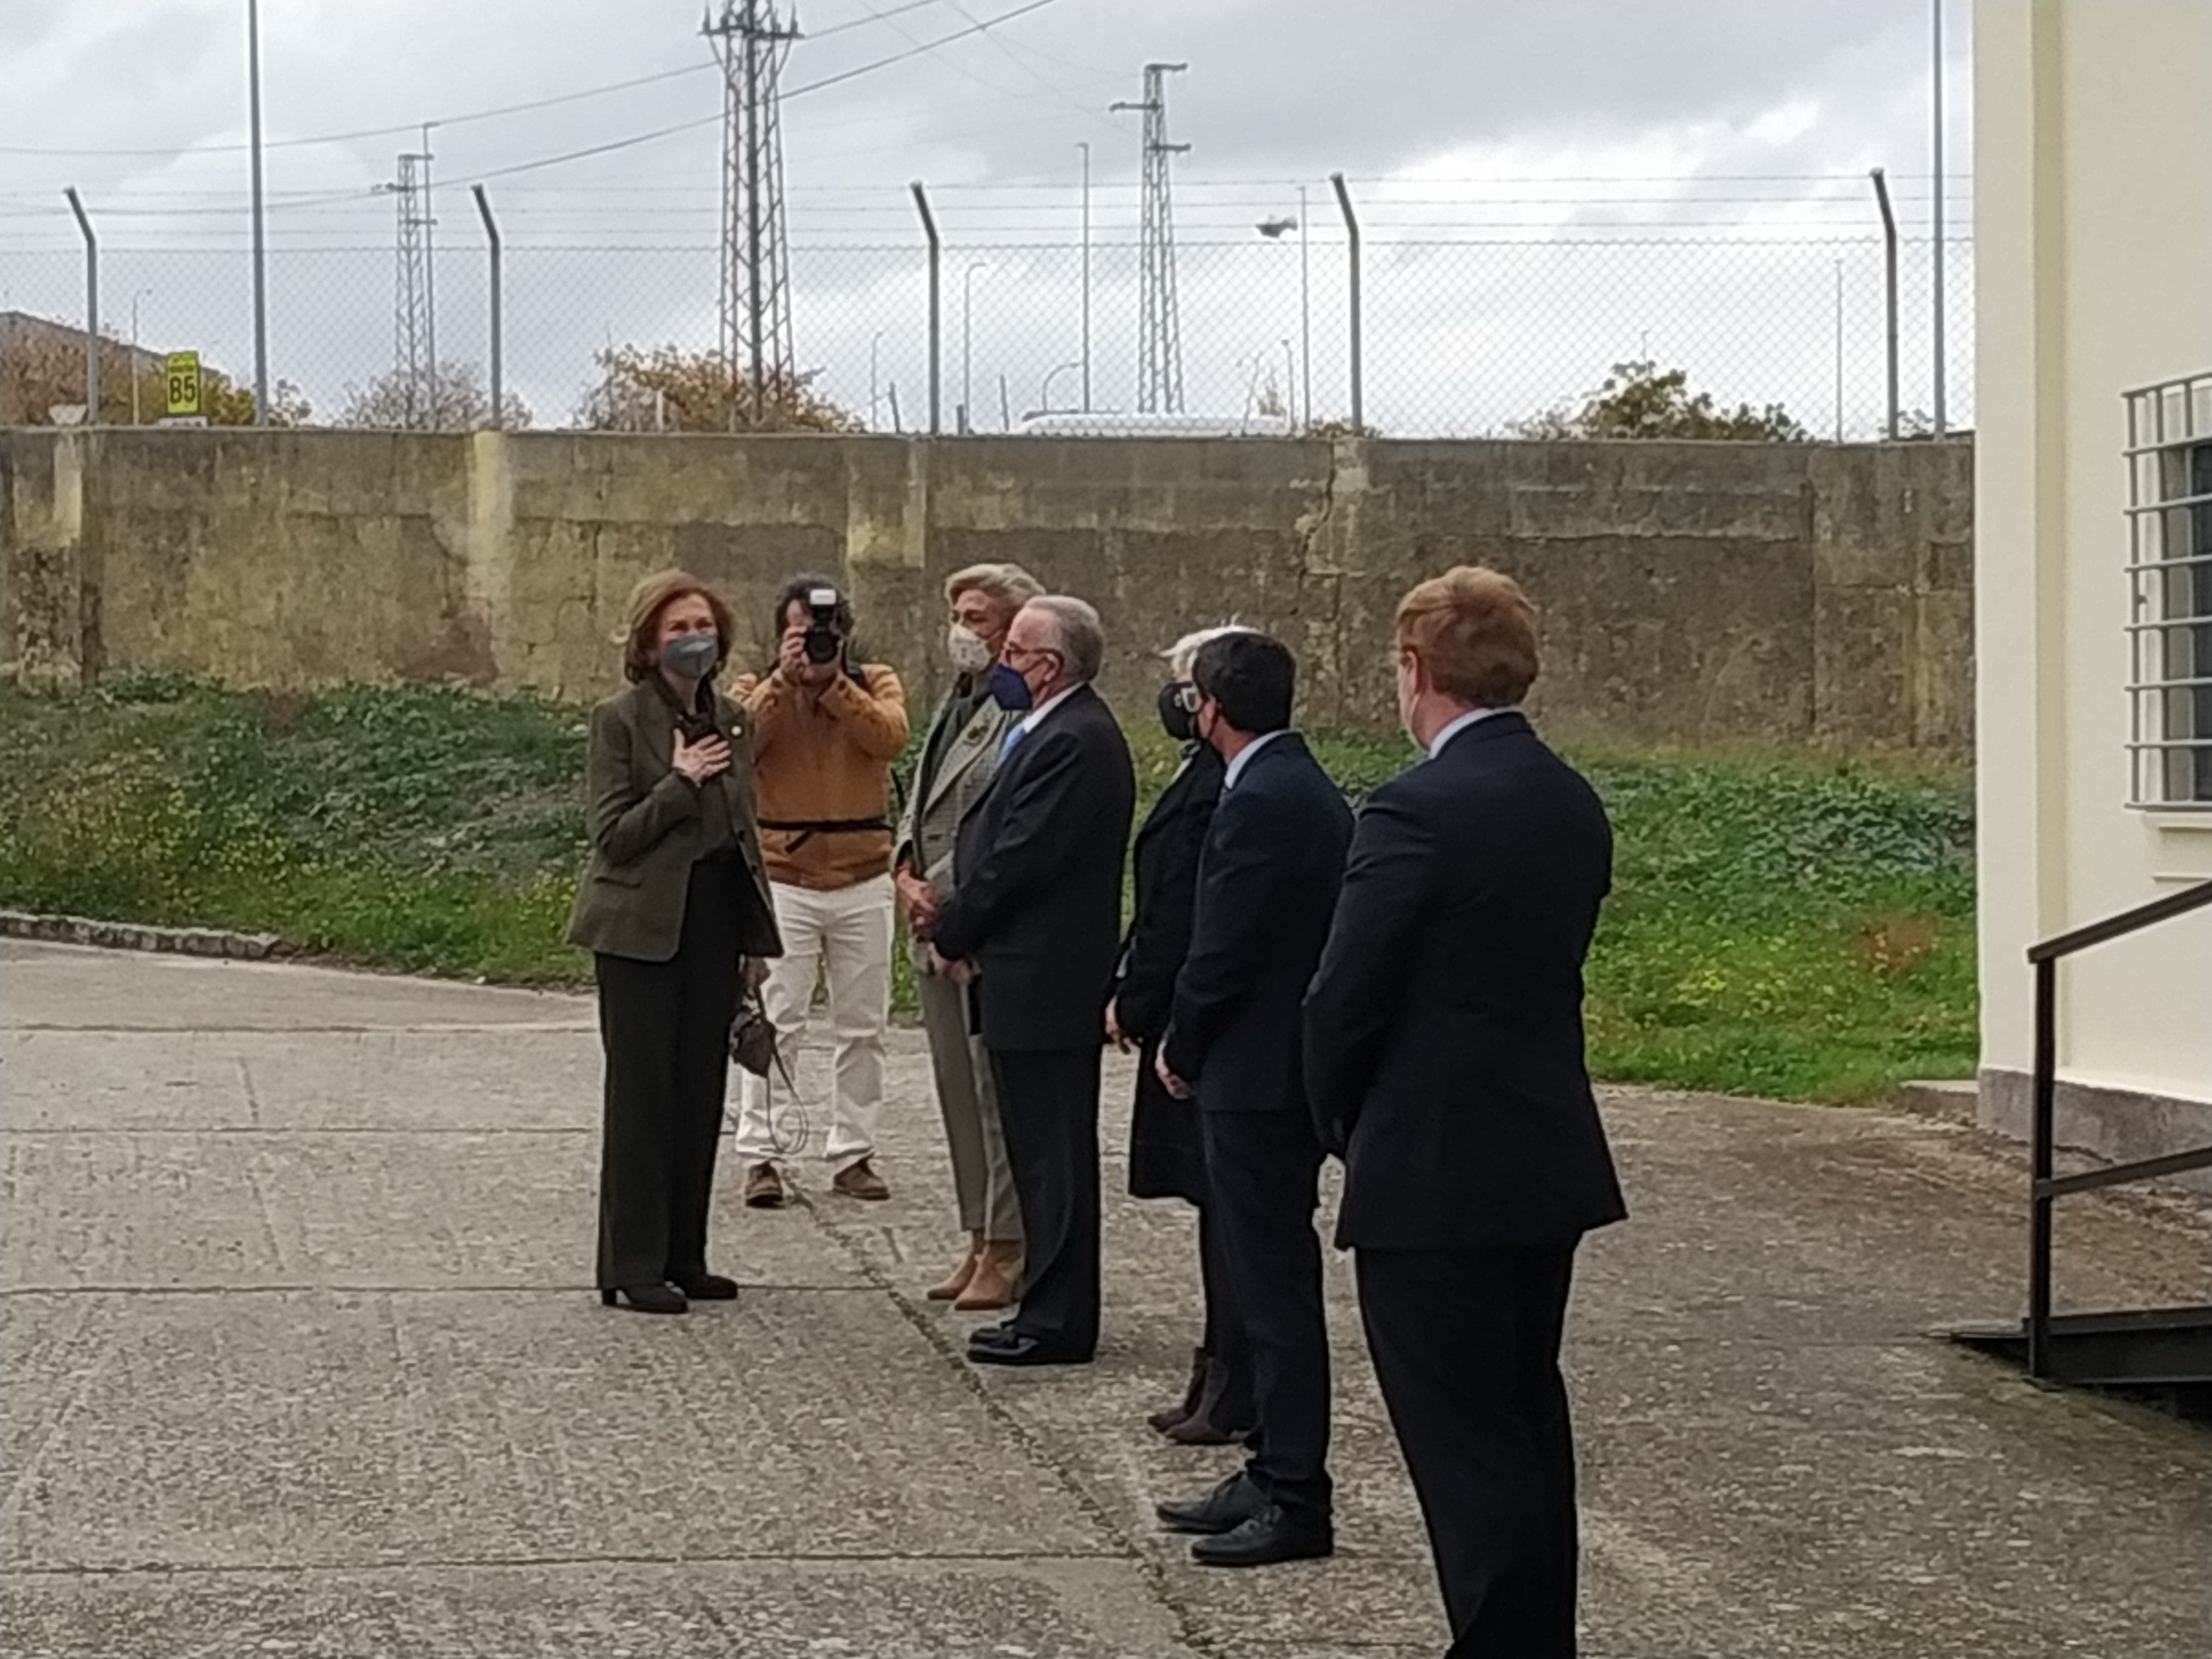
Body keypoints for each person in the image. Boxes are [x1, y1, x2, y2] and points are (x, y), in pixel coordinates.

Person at [1303, 567, 1626, 1657]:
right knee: (1527, 1418)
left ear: (1415, 670)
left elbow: (1343, 997)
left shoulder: (1414, 807)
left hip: (1433, 1161)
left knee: (1462, 1440)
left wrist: (1344, 1120)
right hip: (1542, 1147)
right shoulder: (1568, 795)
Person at [1150, 631, 1352, 1568]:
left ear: (1212, 709)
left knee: (1272, 1288)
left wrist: (1180, 1042)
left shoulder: (1263, 797)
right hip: (1271, 1066)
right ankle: (1269, 1465)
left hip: (1257, 1075)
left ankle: (1293, 1488)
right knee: (1264, 1280)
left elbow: (1223, 943)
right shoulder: (1289, 782)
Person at [924, 596, 1135, 1367]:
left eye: (1014, 652)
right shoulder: (1039, 732)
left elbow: (1020, 858)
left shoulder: (1075, 741)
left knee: (1053, 1158)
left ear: (1048, 666)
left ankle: (1058, 1315)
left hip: (1048, 980)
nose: (1001, 664)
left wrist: (951, 926)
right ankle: (1046, 1305)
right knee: (1034, 1150)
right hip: (1020, 976)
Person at [567, 569, 782, 1316]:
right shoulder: (619, 719)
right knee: (643, 1096)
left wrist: (755, 938)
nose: (696, 639)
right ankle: (630, 1265)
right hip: (640, 931)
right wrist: (679, 782)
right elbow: (612, 836)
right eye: (677, 629)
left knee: (700, 1091)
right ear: (649, 645)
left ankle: (686, 1255)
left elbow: (746, 830)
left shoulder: (731, 717)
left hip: (715, 920)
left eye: (704, 626)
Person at [1108, 625, 1254, 1446]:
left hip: (1204, 1025)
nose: (1175, 697)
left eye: (1183, 682)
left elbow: (1195, 917)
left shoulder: (1230, 786)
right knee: (1211, 1208)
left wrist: (1141, 1001)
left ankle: (1231, 1378)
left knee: (1228, 1209)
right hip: (1183, 1010)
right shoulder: (1206, 771)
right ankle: (1216, 1369)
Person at [729, 575, 910, 1208]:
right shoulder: (755, 689)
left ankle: (854, 1151)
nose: (814, 642)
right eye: (800, 632)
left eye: (824, 631)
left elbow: (888, 737)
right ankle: (762, 1153)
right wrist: (785, 682)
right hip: (786, 875)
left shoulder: (874, 680)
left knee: (864, 1023)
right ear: (780, 635)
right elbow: (739, 744)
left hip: (863, 872)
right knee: (776, 1019)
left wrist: (833, 684)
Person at [895, 562, 1044, 1311]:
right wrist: (902, 868)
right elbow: (919, 796)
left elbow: (998, 825)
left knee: (990, 1091)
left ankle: (1010, 1242)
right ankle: (978, 1231)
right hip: (928, 919)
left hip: (971, 921)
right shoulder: (956, 701)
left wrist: (939, 891)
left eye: (979, 616)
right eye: (957, 612)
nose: (963, 630)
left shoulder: (1020, 708)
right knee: (956, 1089)